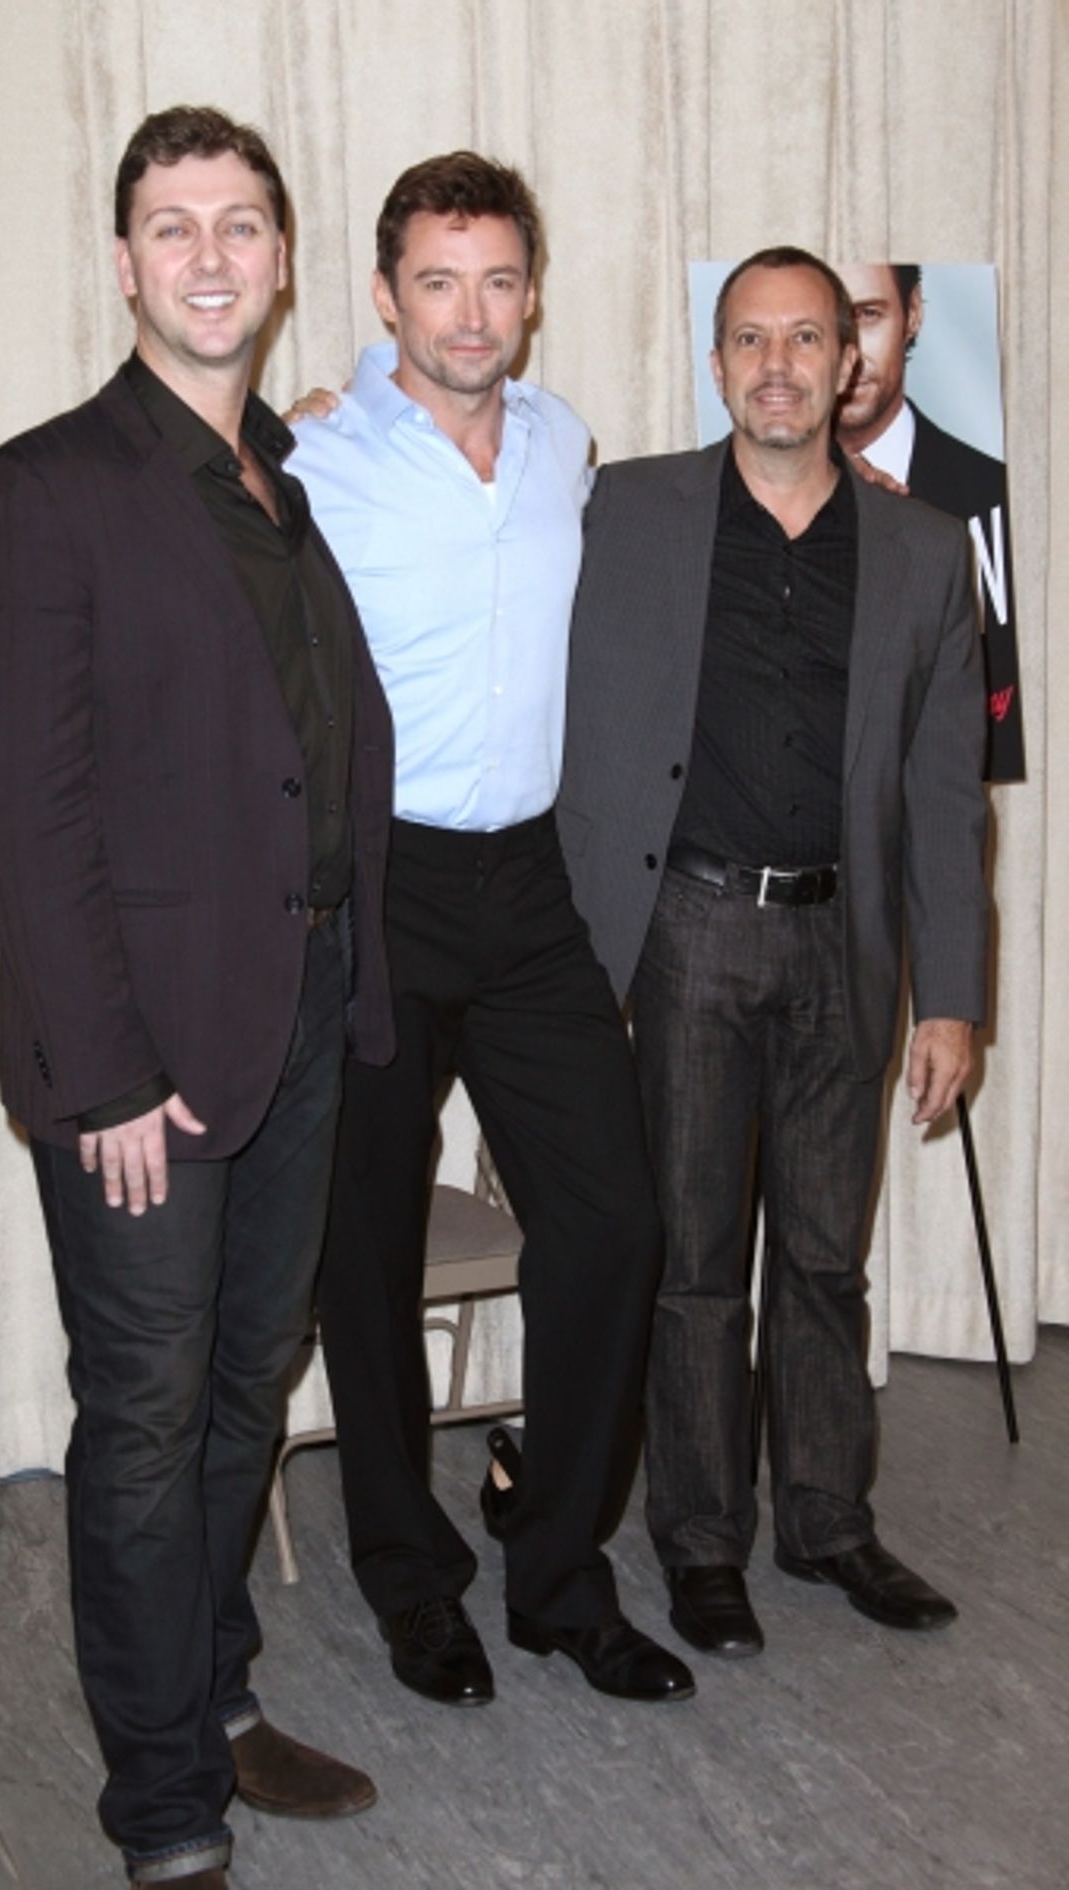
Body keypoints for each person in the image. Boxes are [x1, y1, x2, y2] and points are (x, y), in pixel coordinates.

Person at [0, 106, 394, 1890]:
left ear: (283, 263)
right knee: (141, 1418)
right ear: (125, 260)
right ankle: (160, 1811)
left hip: (293, 1014)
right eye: (172, 225)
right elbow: (27, 812)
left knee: (237, 1398)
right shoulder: (45, 486)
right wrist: (107, 1072)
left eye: (240, 224)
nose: (210, 254)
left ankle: (209, 1699)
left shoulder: (288, 481)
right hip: (141, 1057)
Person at [288, 153, 690, 1710]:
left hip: (527, 886)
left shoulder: (563, 439)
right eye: (439, 280)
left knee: (612, 1219)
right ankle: (410, 1576)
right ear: (387, 295)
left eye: (499, 280)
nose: (473, 312)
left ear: (532, 296)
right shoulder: (315, 459)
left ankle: (560, 1573)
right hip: (376, 884)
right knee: (366, 1244)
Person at [558, 247, 988, 1662]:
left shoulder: (926, 551)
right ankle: (698, 1543)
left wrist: (955, 1000)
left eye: (809, 337)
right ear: (718, 359)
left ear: (850, 363)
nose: (781, 364)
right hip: (686, 931)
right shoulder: (627, 508)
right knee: (694, 1263)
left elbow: (941, 792)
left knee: (823, 1254)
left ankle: (826, 1519)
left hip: (844, 946)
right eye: (752, 338)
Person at [837, 261, 1023, 780]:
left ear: (913, 313)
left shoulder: (989, 489)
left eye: (869, 314)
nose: (850, 352)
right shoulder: (745, 499)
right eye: (828, 323)